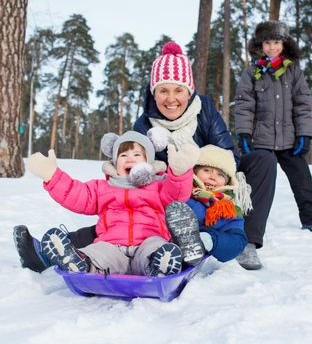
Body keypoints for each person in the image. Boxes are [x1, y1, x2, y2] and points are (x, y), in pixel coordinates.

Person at [13, 41, 247, 272]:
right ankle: (50, 254)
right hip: (159, 196)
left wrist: (191, 173)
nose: (171, 98)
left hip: (181, 200)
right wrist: (53, 176)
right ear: (154, 93)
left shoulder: (205, 110)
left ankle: (174, 256)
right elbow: (117, 175)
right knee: (117, 221)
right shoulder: (144, 125)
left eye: (178, 90)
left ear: (189, 92)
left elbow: (226, 158)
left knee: (154, 229)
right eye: (163, 90)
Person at [25, 130, 204, 276]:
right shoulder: (102, 188)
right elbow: (76, 194)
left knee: (157, 247)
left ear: (148, 161)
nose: (130, 158)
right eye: (123, 154)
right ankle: (81, 263)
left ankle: (160, 265)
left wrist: (179, 173)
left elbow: (176, 194)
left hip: (147, 242)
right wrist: (53, 177)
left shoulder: (158, 186)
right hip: (112, 246)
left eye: (137, 154)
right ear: (114, 162)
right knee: (98, 252)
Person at [234, 21, 312, 269]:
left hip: (289, 140)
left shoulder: (293, 71)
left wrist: (304, 134)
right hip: (262, 140)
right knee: (257, 184)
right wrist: (244, 133)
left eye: (276, 42)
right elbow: (244, 104)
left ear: (284, 44)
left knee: (302, 179)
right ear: (260, 45)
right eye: (267, 42)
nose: (272, 46)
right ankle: (249, 231)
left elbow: (303, 103)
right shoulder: (252, 71)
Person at [186, 144, 250, 262]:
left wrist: (212, 240)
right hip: (173, 238)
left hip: (204, 244)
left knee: (239, 239)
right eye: (206, 170)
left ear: (228, 182)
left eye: (220, 174)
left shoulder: (229, 209)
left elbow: (237, 239)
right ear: (195, 171)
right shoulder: (183, 193)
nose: (212, 177)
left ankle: (203, 242)